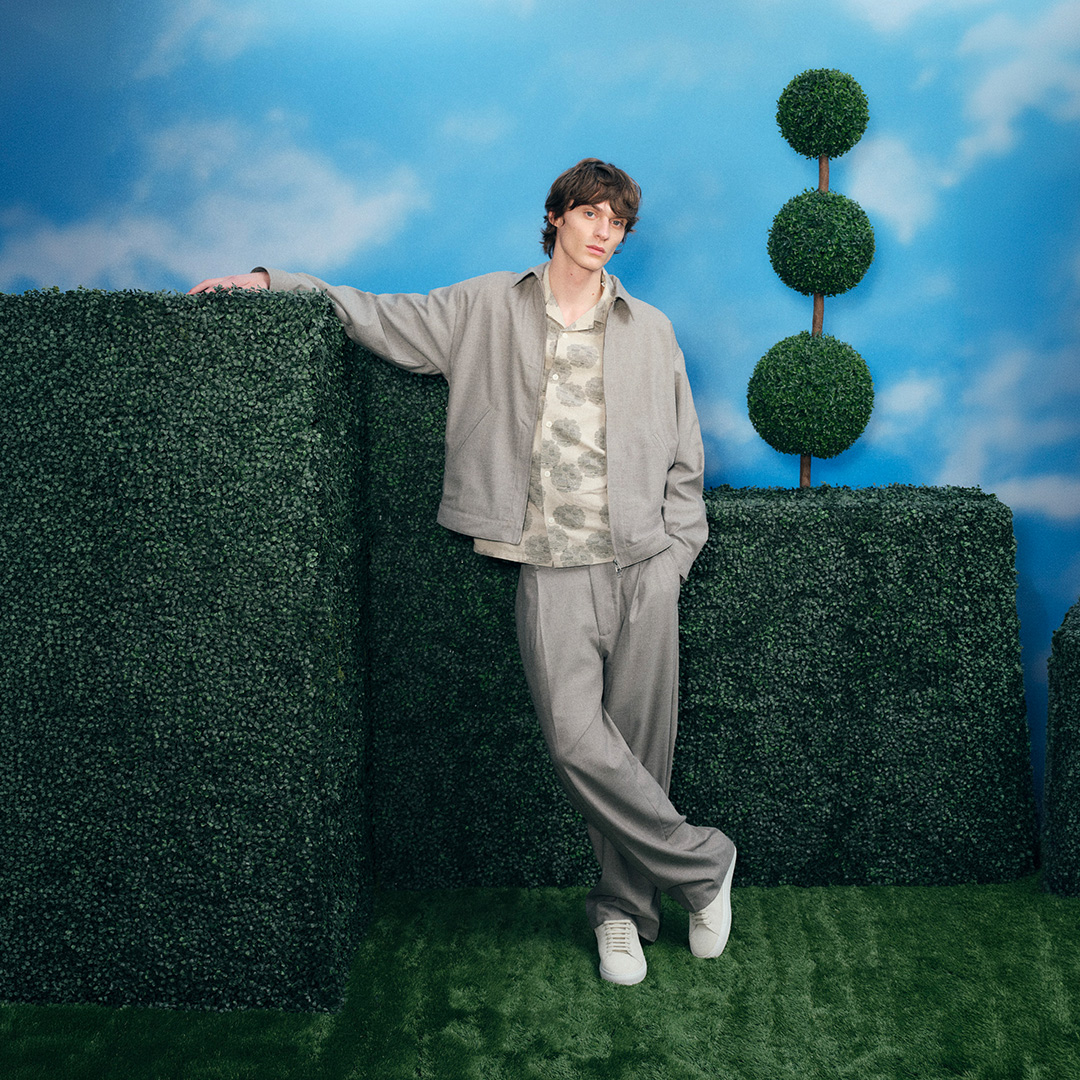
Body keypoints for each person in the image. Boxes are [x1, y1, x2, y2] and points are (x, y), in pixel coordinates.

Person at [190, 158, 736, 986]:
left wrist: (676, 558)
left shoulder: (651, 330)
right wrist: (273, 281)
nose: (603, 232)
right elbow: (375, 315)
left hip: (643, 565)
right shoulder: (484, 306)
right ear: (555, 217)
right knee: (578, 742)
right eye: (589, 214)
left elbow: (685, 454)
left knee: (641, 753)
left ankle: (623, 913)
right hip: (550, 564)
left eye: (617, 223)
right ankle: (705, 865)